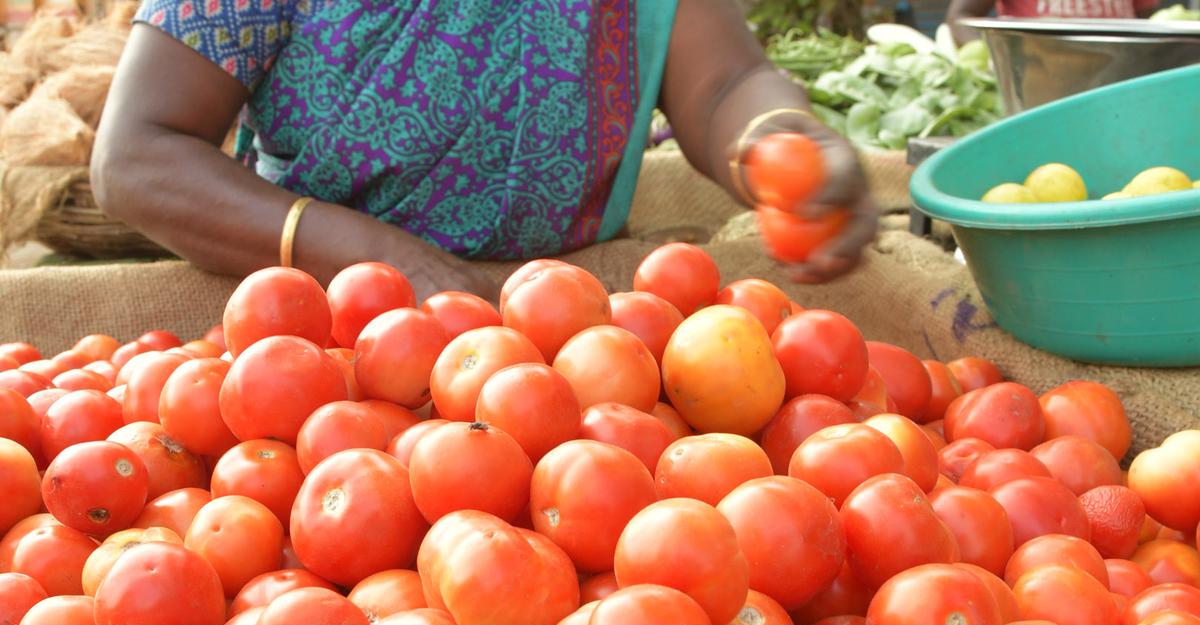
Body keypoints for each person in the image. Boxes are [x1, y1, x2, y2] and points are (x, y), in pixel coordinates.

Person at [92, 0, 877, 301]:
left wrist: (778, 142)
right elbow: (138, 155)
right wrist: (367, 256)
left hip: (572, 348)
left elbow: (724, 82)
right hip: (319, 337)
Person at [948, 0, 1160, 44]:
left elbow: (1146, 18)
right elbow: (961, 17)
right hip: (1034, 85)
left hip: (1117, 86)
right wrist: (992, 63)